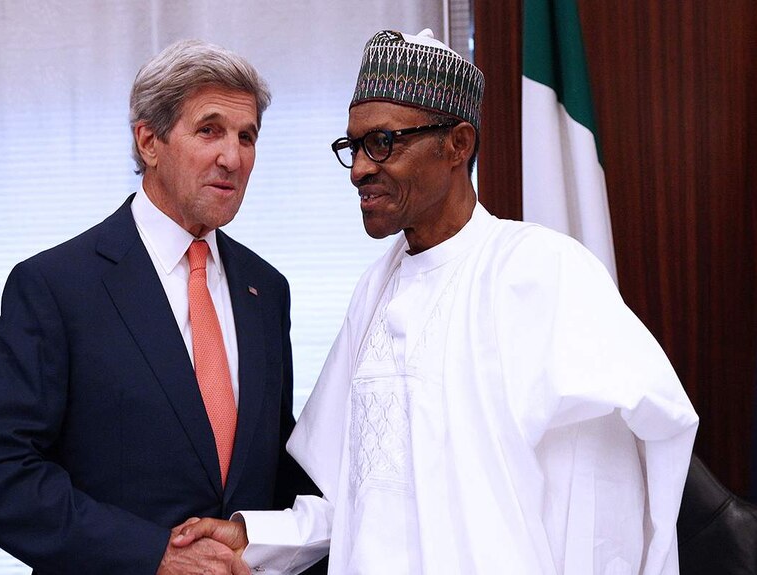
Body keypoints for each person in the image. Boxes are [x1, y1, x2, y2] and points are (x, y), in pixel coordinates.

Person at [174, 29, 699, 574]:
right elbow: (355, 496)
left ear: (458, 145)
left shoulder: (542, 273)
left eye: (383, 143)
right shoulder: (374, 290)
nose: (358, 169)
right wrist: (250, 535)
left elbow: (601, 503)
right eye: (353, 146)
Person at [0, 39, 319, 575]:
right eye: (209, 129)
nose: (233, 157)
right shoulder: (57, 286)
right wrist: (151, 555)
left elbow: (272, 472)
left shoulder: (266, 289)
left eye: (247, 137)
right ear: (149, 141)